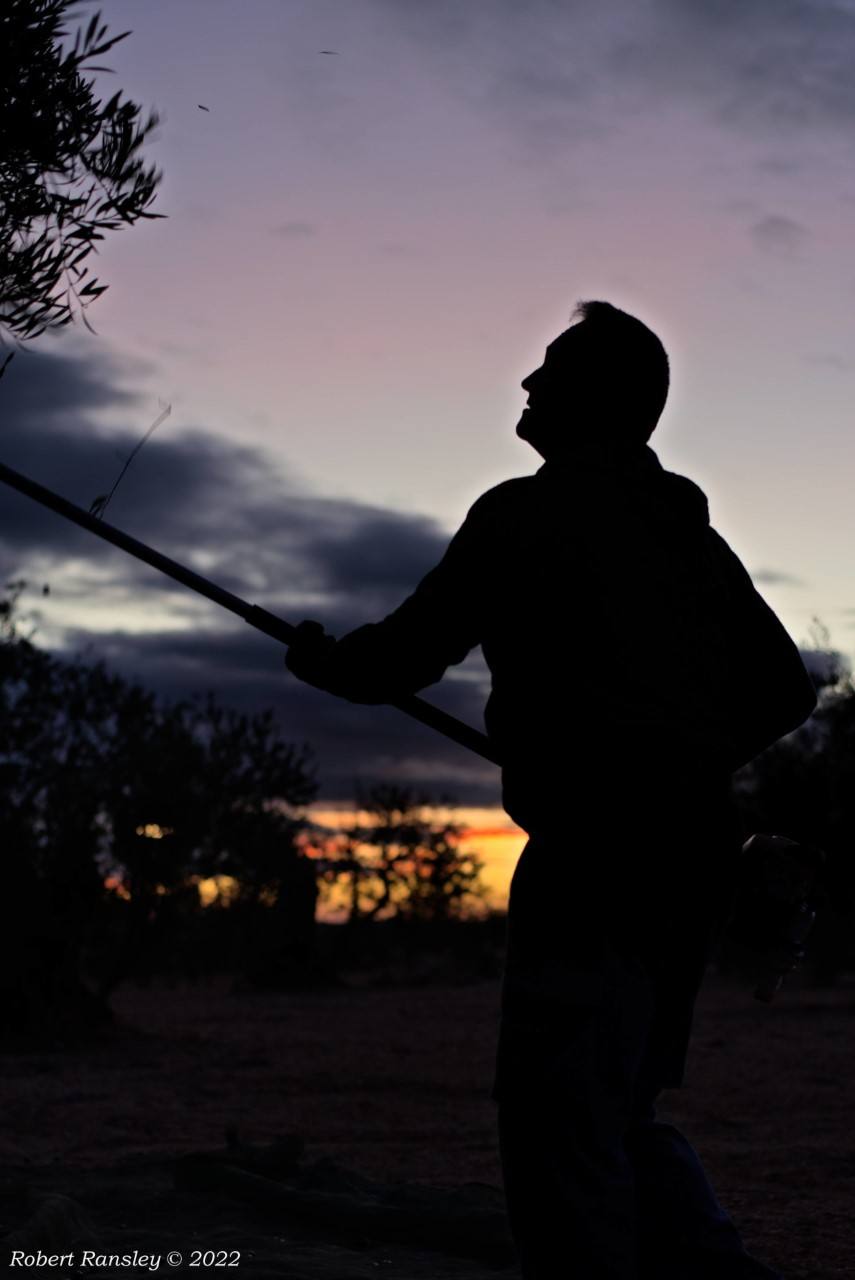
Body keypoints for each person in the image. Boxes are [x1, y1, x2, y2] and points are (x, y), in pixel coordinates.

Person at [285, 300, 817, 1279]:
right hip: (692, 853)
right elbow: (786, 686)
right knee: (623, 1105)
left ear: (599, 398)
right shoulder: (686, 534)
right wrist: (688, 755)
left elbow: (401, 656)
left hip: (591, 854)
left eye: (551, 369)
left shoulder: (524, 514)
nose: (527, 384)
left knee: (558, 1123)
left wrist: (321, 660)